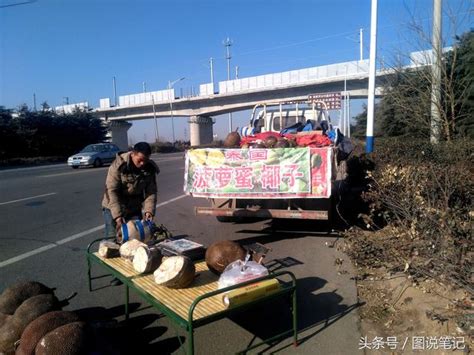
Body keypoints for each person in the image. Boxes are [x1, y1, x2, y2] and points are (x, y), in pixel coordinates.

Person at [102, 142, 159, 284]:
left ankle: (135, 268)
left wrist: (148, 211)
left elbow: (151, 192)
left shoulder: (149, 168)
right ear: (132, 153)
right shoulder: (118, 165)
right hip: (113, 206)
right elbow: (111, 191)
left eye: (145, 160)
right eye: (139, 159)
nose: (142, 163)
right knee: (115, 240)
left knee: (137, 240)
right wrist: (117, 215)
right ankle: (117, 273)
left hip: (134, 207)